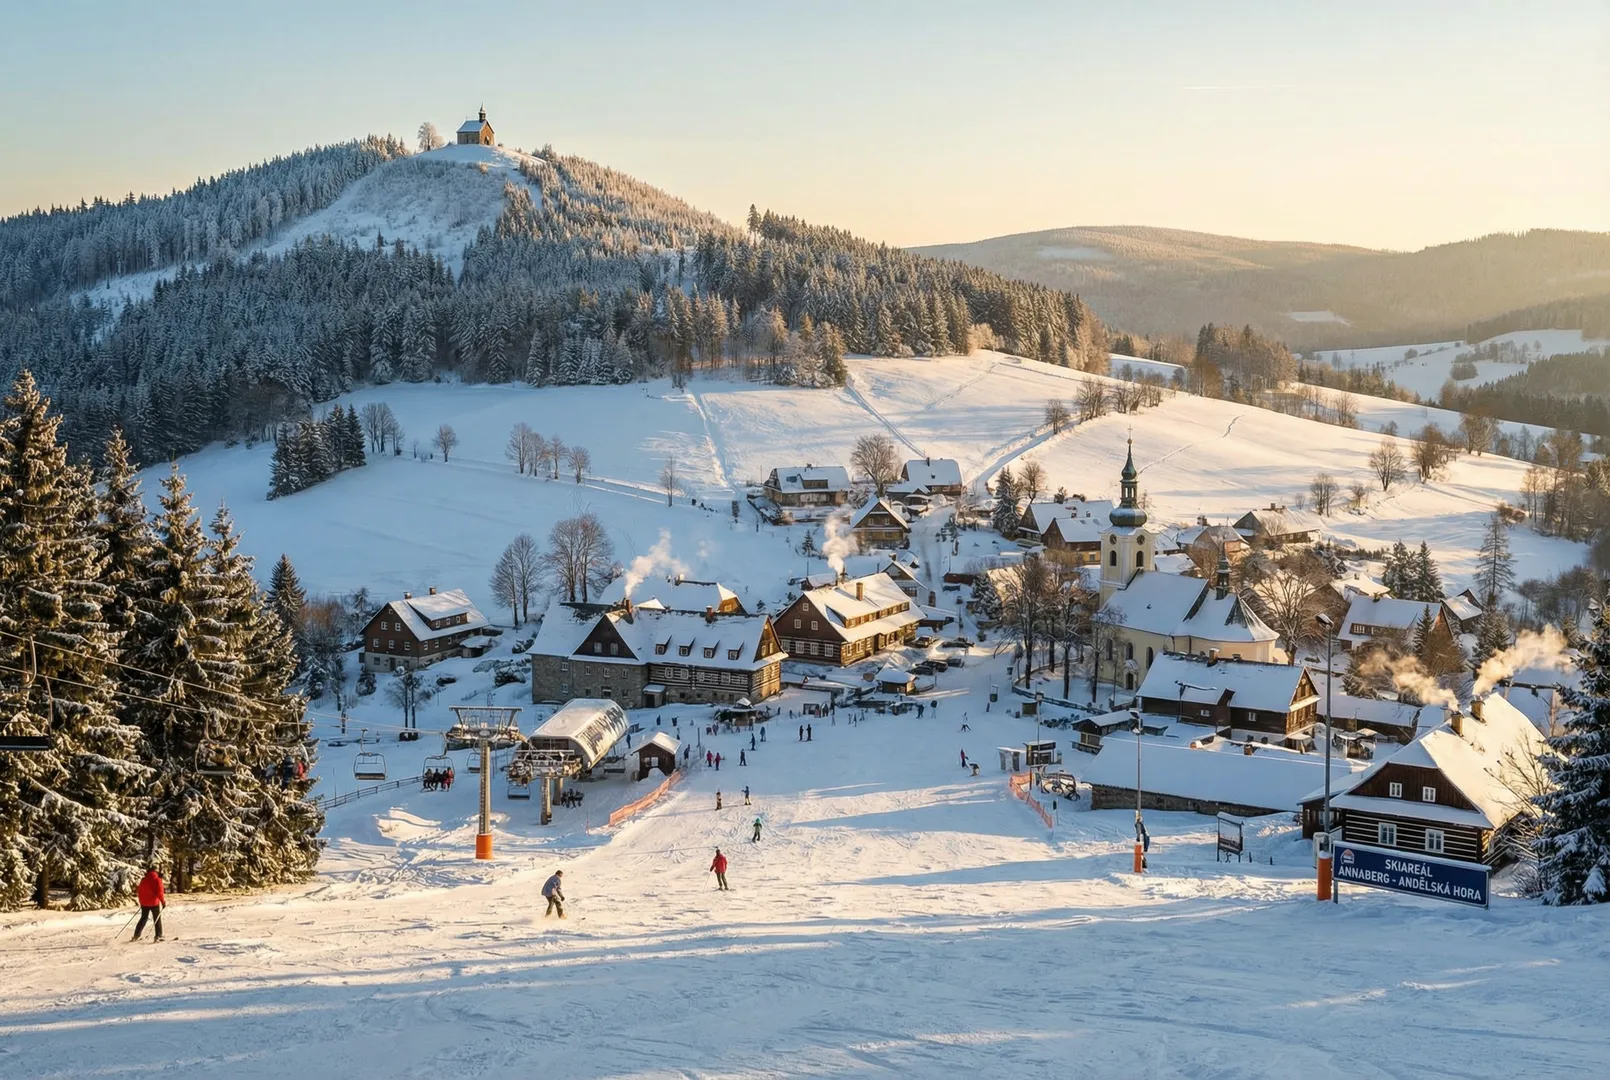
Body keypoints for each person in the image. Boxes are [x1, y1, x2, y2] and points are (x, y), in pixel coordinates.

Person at [131, 866, 165, 942]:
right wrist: (163, 902)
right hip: (154, 903)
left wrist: (142, 902)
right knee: (157, 919)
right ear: (155, 872)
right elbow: (160, 892)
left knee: (143, 918)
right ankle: (158, 935)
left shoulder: (144, 880)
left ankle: (136, 935)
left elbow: (139, 891)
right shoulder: (157, 880)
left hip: (144, 903)